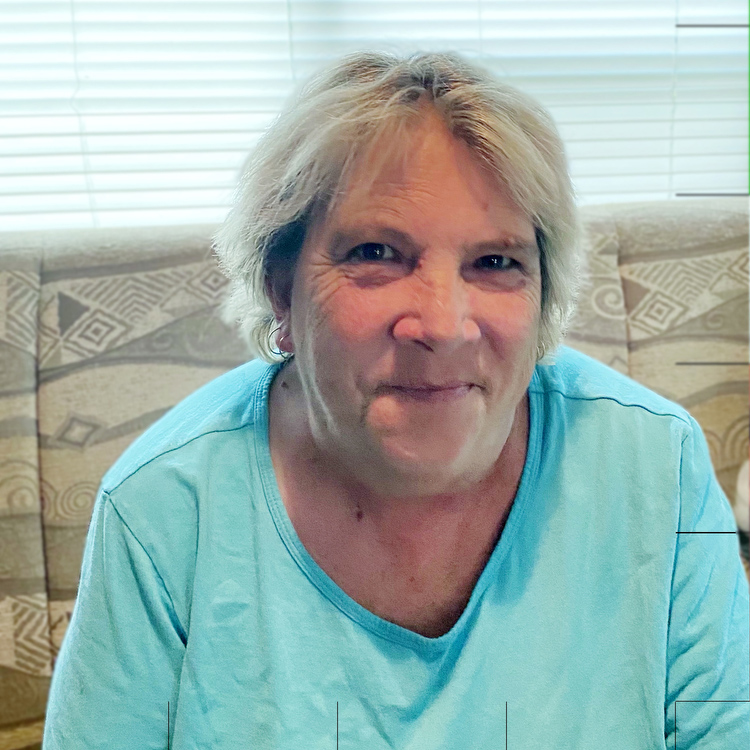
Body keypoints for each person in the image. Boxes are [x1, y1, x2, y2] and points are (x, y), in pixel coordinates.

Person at [43, 51, 749, 749]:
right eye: (376, 253)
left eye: (495, 262)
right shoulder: (162, 509)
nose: (442, 324)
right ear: (280, 288)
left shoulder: (658, 465)